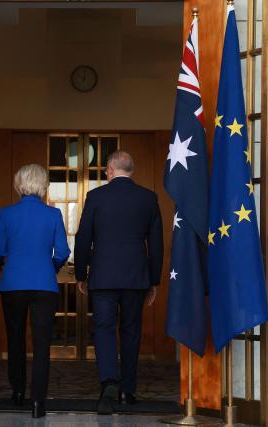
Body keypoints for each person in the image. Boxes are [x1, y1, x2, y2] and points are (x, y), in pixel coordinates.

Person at [74, 150, 163, 414]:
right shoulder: (148, 198)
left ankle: (108, 383)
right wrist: (154, 279)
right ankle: (127, 389)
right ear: (130, 170)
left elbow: (82, 238)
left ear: (111, 170)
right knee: (131, 331)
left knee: (103, 328)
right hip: (136, 277)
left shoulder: (95, 197)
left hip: (103, 276)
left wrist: (81, 274)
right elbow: (156, 244)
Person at [0, 163, 70, 418]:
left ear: (19, 185)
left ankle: (17, 392)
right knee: (42, 344)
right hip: (45, 285)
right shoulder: (53, 215)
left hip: (13, 284)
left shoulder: (6, 213)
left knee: (15, 339)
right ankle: (38, 402)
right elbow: (64, 252)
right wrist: (51, 266)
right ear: (43, 186)